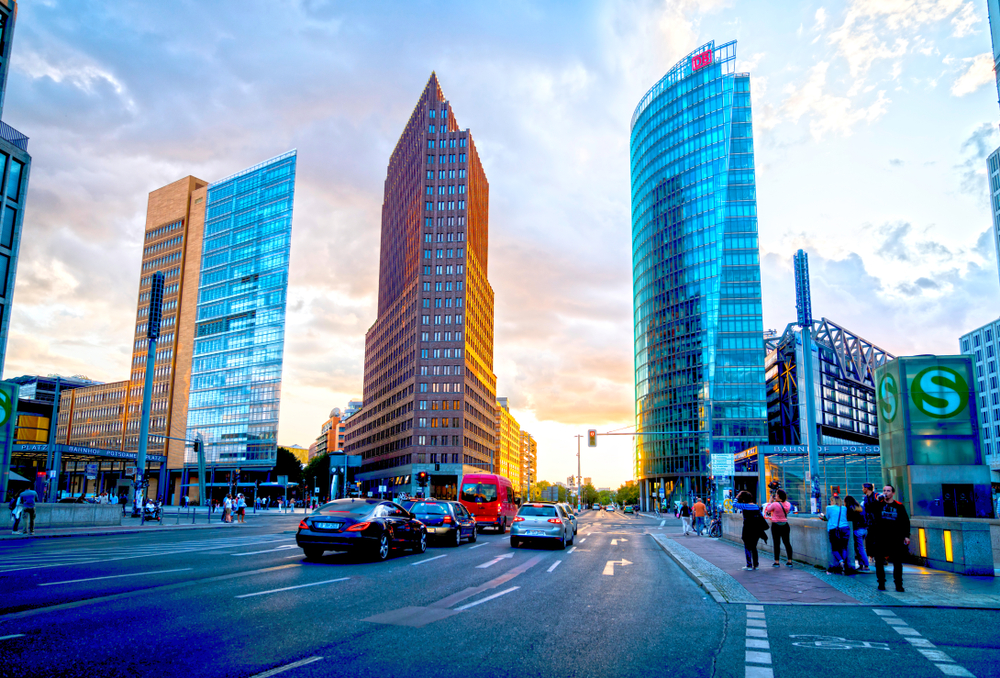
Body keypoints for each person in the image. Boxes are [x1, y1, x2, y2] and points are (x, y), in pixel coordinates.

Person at [870, 484, 910, 592]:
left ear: (893, 493)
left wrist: (906, 536)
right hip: (881, 537)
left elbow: (905, 522)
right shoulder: (879, 504)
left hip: (895, 538)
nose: (886, 493)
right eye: (884, 490)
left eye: (888, 491)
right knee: (879, 561)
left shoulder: (899, 506)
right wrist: (878, 500)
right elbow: (870, 509)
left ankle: (898, 584)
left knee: (897, 562)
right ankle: (881, 583)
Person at [733, 491, 768, 571]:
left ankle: (749, 565)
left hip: (747, 528)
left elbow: (734, 504)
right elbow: (761, 517)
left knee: (747, 546)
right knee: (754, 547)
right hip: (756, 529)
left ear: (744, 499)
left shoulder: (744, 506)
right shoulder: (756, 506)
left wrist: (737, 496)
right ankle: (756, 565)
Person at [821, 493, 851, 574]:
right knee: (844, 547)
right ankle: (844, 563)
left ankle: (841, 562)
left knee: (834, 548)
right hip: (845, 528)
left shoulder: (829, 508)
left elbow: (827, 518)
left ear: (832, 501)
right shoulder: (844, 508)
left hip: (834, 529)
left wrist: (822, 516)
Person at [764, 489, 793, 568]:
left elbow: (768, 510)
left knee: (776, 543)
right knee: (787, 543)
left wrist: (770, 501)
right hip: (785, 525)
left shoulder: (775, 504)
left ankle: (777, 562)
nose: (775, 496)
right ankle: (789, 561)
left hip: (776, 525)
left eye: (776, 494)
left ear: (778, 496)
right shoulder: (788, 504)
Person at [844, 494, 869, 571]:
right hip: (864, 529)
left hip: (857, 530)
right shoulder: (860, 507)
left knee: (860, 548)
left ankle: (865, 565)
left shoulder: (850, 509)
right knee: (859, 547)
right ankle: (861, 565)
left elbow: (849, 519)